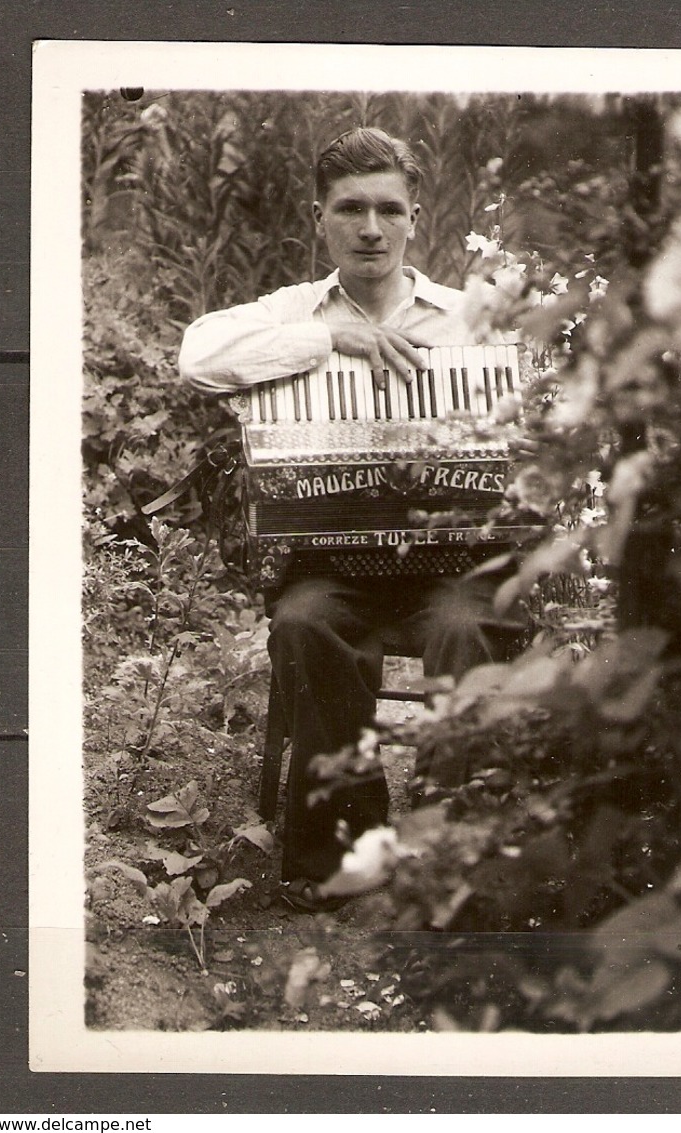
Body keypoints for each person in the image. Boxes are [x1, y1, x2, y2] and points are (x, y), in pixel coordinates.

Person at [179, 127, 525, 911]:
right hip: (331, 570)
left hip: (451, 568)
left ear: (414, 219)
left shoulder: (469, 319)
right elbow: (198, 357)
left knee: (468, 633)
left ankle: (448, 858)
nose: (370, 228)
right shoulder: (289, 312)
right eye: (349, 209)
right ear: (318, 219)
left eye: (387, 210)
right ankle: (345, 851)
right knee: (303, 624)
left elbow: (537, 416)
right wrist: (324, 337)